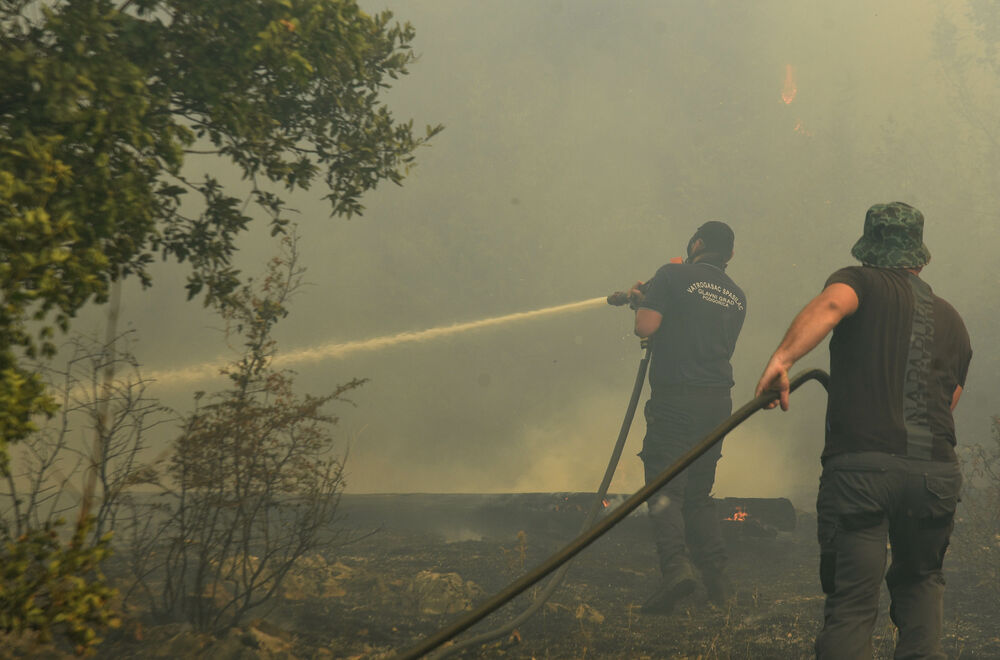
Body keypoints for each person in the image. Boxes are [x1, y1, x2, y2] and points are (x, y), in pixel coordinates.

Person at [755, 202, 971, 659]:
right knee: (920, 584)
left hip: (862, 474)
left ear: (869, 247)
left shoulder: (860, 281)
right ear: (920, 255)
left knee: (854, 601)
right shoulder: (952, 318)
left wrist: (782, 360)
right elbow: (948, 401)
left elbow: (833, 305)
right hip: (934, 475)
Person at [628, 220, 747, 614]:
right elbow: (701, 329)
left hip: (676, 398)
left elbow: (647, 326)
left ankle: (677, 571)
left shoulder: (671, 274)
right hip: (717, 403)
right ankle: (718, 586)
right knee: (698, 494)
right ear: (729, 255)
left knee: (665, 489)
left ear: (696, 243)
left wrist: (644, 304)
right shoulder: (737, 295)